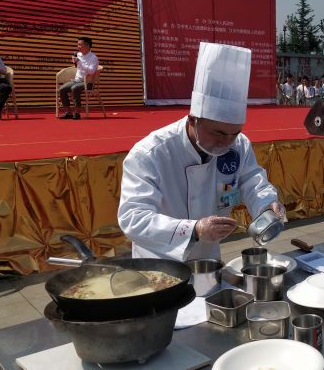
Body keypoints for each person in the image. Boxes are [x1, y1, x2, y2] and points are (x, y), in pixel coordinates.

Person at [118, 42, 285, 261]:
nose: (226, 142)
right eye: (217, 133)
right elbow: (133, 218)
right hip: (159, 261)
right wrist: (193, 229)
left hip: (208, 259)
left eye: (233, 133)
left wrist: (267, 205)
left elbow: (252, 181)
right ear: (193, 120)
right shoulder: (150, 153)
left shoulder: (238, 145)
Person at [59, 36, 98, 120]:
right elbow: (77, 66)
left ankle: (77, 113)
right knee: (62, 89)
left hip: (88, 82)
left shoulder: (94, 58)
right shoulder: (78, 54)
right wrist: (75, 61)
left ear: (87, 46)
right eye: (77, 45)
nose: (78, 47)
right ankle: (68, 112)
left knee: (75, 88)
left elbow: (91, 71)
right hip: (77, 80)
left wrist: (80, 63)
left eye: (80, 45)